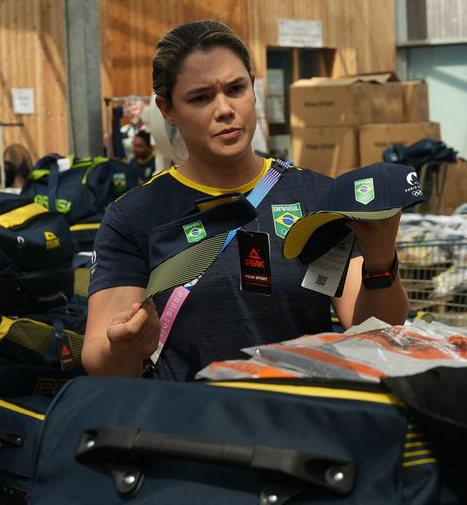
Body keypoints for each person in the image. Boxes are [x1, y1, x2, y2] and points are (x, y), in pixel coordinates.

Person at [83, 20, 408, 381]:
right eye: (200, 97)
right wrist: (122, 348)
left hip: (303, 422)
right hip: (186, 428)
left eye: (235, 88)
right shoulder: (136, 214)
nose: (224, 109)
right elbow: (99, 354)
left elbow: (373, 333)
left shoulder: (317, 198)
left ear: (252, 88)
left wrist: (380, 262)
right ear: (167, 109)